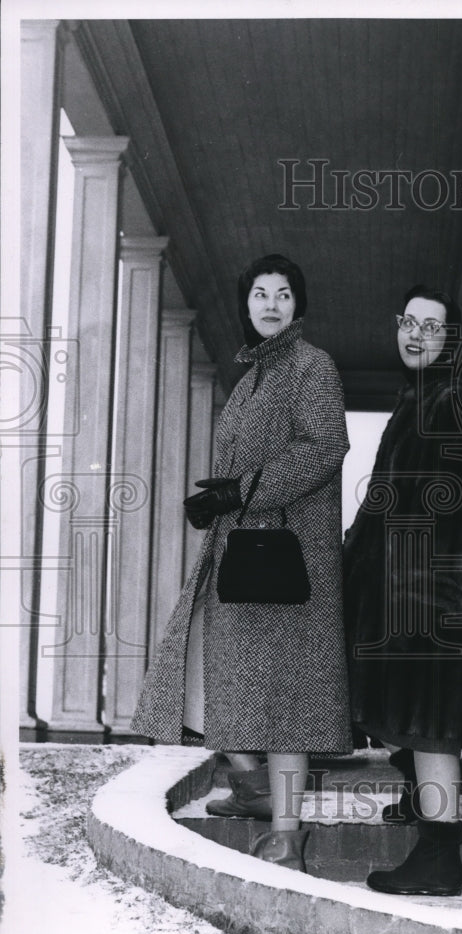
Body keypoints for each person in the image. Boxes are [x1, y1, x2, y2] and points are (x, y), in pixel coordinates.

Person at [131, 253, 352, 873]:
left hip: (290, 561)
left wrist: (244, 490)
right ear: (246, 305)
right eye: (259, 293)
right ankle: (253, 790)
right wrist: (217, 500)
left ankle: (286, 830)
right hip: (245, 553)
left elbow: (325, 447)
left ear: (298, 305)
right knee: (215, 673)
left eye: (283, 292)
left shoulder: (313, 366)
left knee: (287, 704)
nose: (271, 303)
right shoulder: (251, 376)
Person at [344, 284, 462, 896]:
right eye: (408, 321)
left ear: (452, 341)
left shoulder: (449, 403)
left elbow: (453, 513)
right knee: (421, 726)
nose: (415, 334)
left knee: (432, 726)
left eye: (431, 327)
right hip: (419, 592)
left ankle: (441, 855)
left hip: (434, 598)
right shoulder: (420, 400)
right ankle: (431, 834)